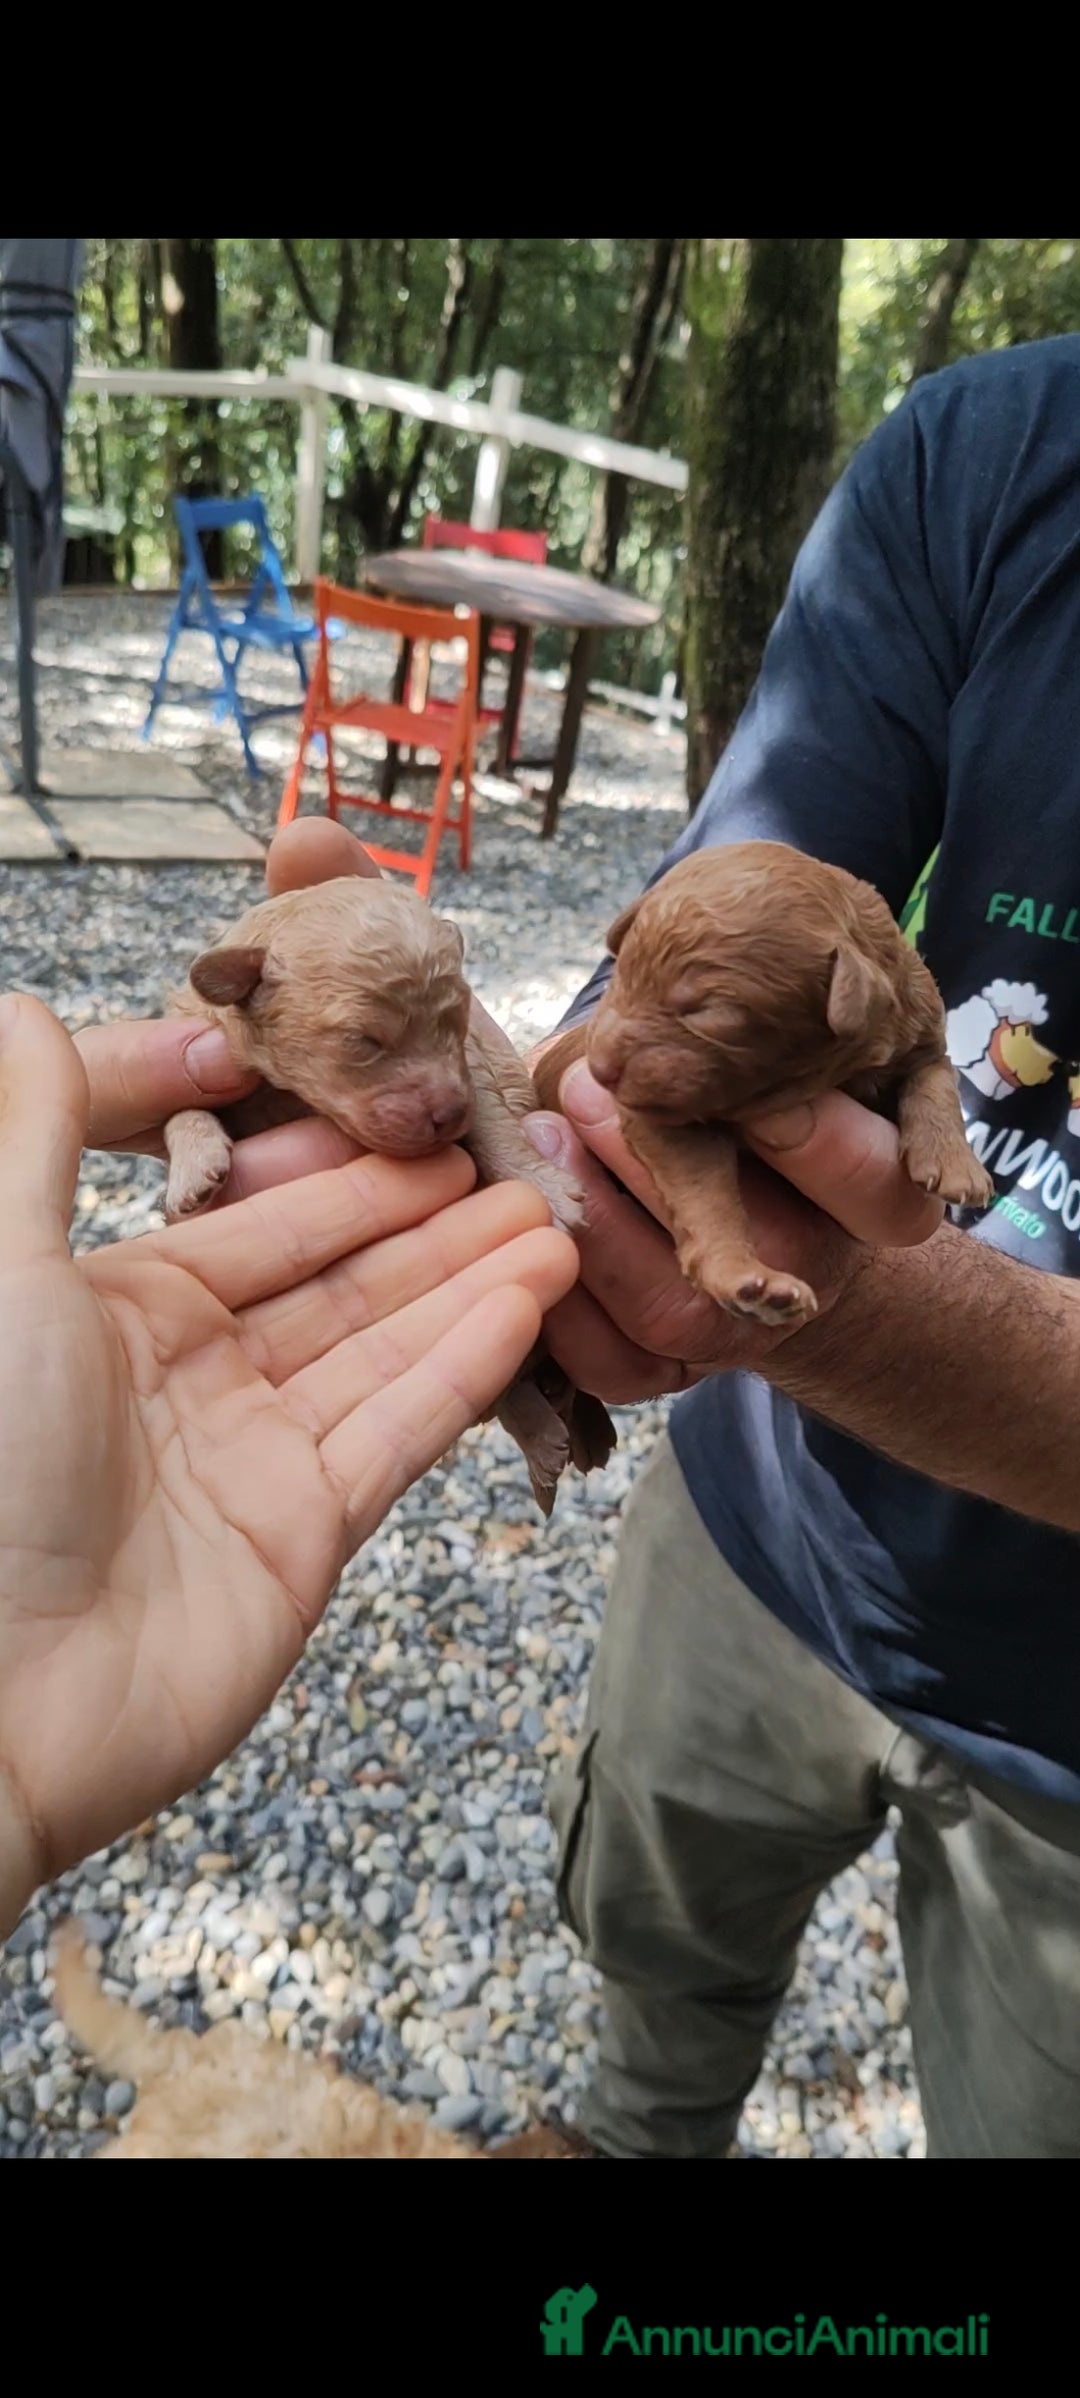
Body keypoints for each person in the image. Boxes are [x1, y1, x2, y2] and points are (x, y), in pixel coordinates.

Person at [0, 819, 945, 1955]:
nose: (440, 1089)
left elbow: (516, 1101)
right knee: (652, 1927)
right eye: (372, 1048)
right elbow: (616, 1004)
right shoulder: (226, 1013)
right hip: (735, 1524)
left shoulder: (884, 1002)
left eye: (444, 1036)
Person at [526, 336, 1080, 2162]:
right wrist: (546, 1126)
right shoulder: (1001, 450)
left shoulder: (884, 1010)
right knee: (647, 1985)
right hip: (756, 1523)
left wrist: (823, 1305)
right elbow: (697, 925)